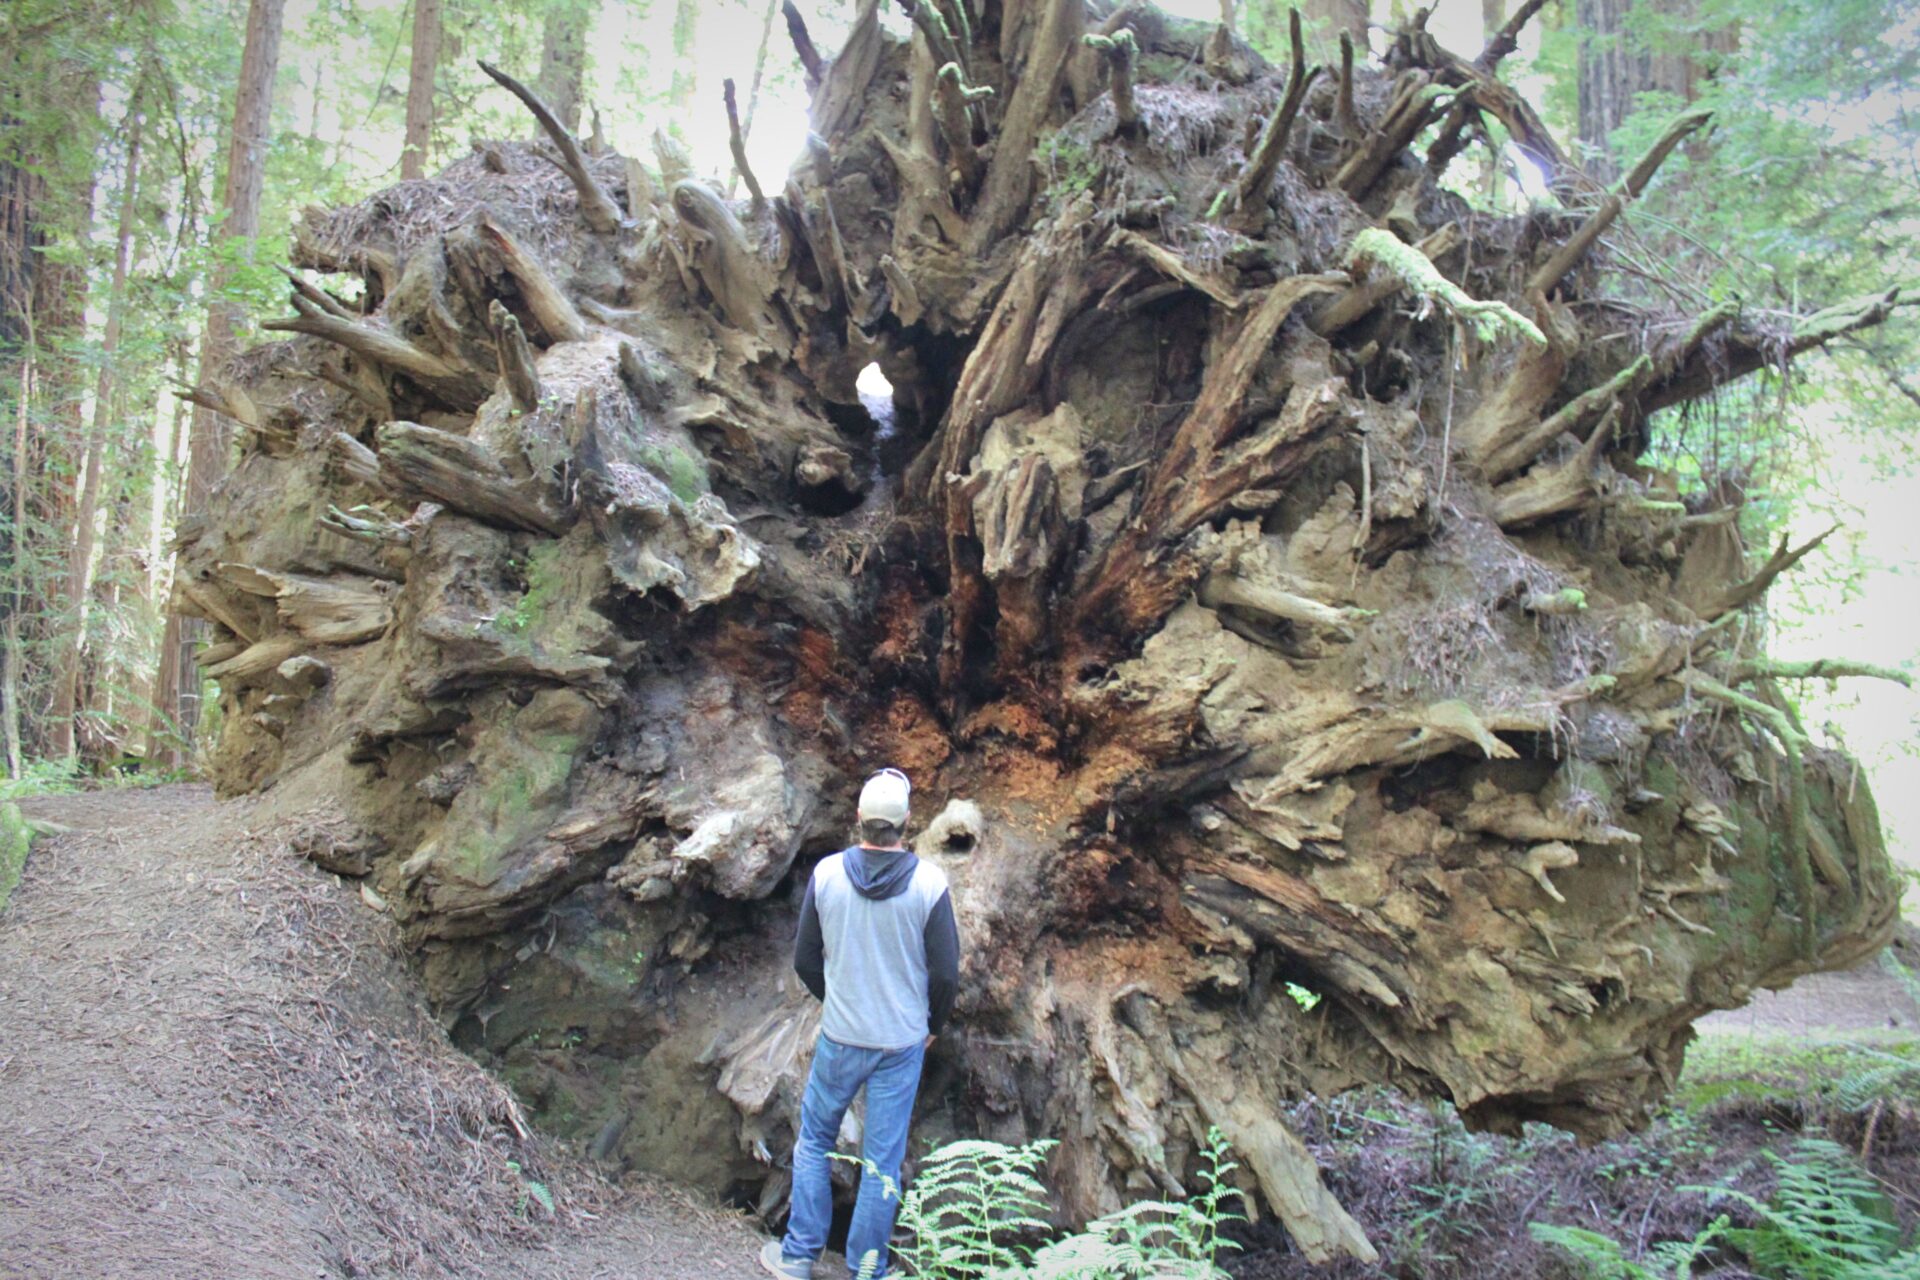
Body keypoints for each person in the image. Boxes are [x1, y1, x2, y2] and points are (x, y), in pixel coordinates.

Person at [760, 767, 961, 1280]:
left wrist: (840, 999)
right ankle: (867, 1271)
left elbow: (805, 957)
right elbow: (944, 971)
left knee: (815, 1141)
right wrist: (932, 1023)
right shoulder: (929, 883)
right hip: (900, 1043)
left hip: (841, 1037)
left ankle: (800, 1256)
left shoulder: (827, 874)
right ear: (906, 822)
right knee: (882, 1162)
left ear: (858, 818)